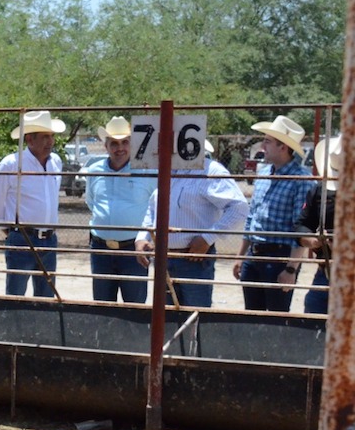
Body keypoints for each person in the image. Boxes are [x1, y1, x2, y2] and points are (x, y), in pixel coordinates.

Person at [136, 145, 249, 309]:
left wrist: (208, 238)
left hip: (194, 259)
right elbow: (154, 208)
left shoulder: (211, 171)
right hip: (164, 258)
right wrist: (142, 237)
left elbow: (239, 208)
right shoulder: (170, 170)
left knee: (195, 314)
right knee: (166, 315)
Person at [233, 115, 317, 311]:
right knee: (251, 315)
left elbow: (301, 229)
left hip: (280, 256)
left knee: (276, 318)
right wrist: (240, 256)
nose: (263, 146)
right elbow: (252, 218)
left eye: (268, 141)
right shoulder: (263, 174)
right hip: (254, 255)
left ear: (283, 147)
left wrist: (291, 268)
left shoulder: (302, 180)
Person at [0, 110, 65, 297]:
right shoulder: (11, 164)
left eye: (51, 136)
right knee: (16, 296)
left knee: (46, 296)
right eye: (45, 137)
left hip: (49, 239)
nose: (50, 141)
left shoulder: (55, 162)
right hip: (22, 238)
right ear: (29, 139)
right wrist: (8, 228)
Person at [84, 116, 157, 303]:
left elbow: (156, 206)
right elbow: (91, 202)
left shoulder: (147, 172)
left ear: (132, 145)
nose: (120, 148)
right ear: (106, 146)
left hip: (134, 250)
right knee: (102, 306)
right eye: (114, 143)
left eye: (125, 142)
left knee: (134, 307)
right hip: (101, 250)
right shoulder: (94, 170)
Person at [294, 137, 339, 315]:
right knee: (314, 310)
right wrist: (313, 241)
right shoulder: (319, 191)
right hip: (326, 271)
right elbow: (302, 224)